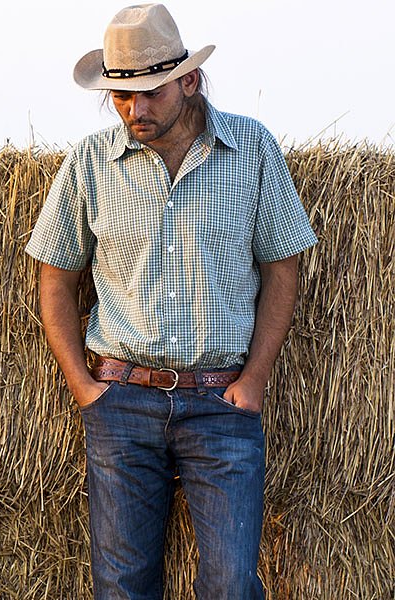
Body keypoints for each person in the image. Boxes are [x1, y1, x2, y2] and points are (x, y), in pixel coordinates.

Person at [24, 4, 317, 599]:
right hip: (122, 401)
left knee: (231, 584)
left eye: (150, 93)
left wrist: (255, 380)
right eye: (121, 96)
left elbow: (282, 269)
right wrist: (84, 386)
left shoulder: (252, 150)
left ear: (189, 80)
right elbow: (55, 278)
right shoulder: (90, 162)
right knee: (122, 586)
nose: (135, 110)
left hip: (221, 402)